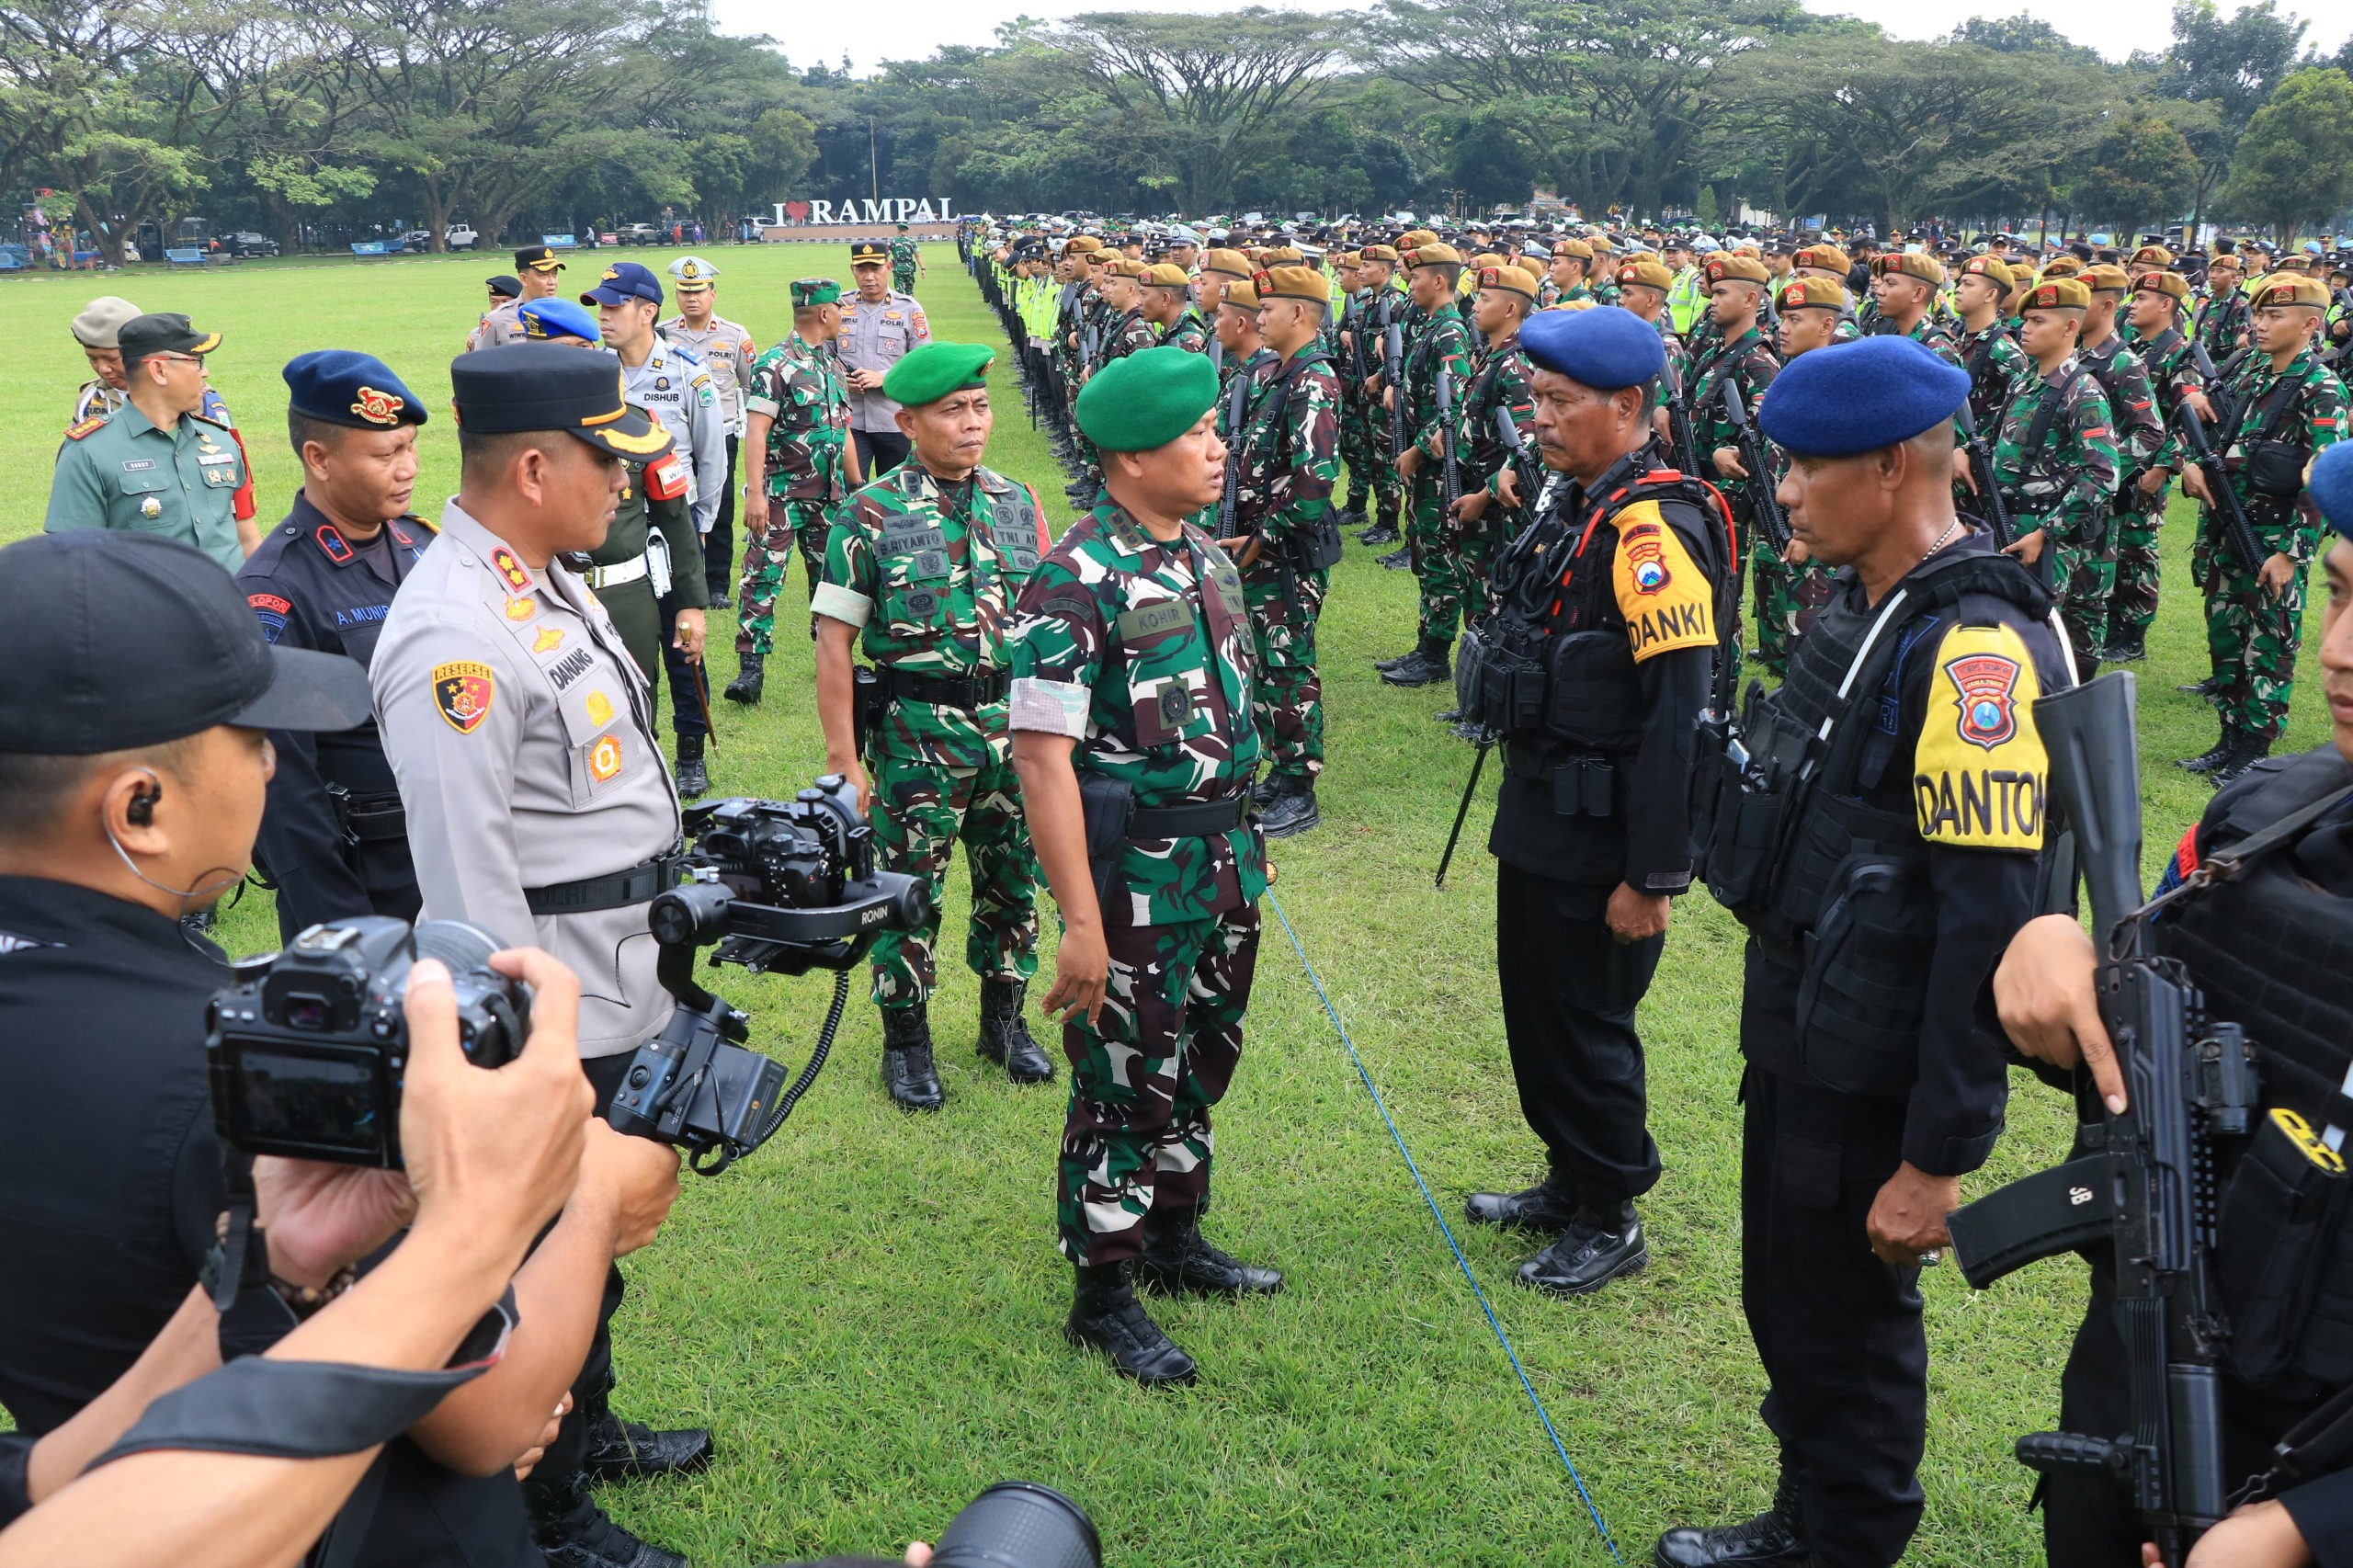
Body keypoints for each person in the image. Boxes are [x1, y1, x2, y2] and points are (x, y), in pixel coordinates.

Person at [1659, 335, 2070, 1568]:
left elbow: (1990, 920)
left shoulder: (1976, 649)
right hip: (1809, 1023)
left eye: (1809, 467)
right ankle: (1810, 1511)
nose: (1782, 488)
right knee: (1792, 1296)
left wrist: (1937, 1159)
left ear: (1893, 467)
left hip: (1875, 1069)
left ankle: (1844, 1537)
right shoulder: (1869, 602)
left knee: (1846, 1321)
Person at [369, 342, 710, 1568]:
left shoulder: (536, 574)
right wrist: (537, 1069)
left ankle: (590, 1422)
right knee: (542, 1251)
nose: (625, 481)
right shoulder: (456, 634)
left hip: (620, 975)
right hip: (561, 1004)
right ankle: (550, 1516)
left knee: (593, 1247)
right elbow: (468, 893)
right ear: (532, 466)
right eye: (607, 459)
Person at [1991, 440, 2353, 1568]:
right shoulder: (2264, 819)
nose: (2336, 651)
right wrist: (2053, 950)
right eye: (2341, 591)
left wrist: (2302, 1529)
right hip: (2137, 1394)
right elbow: (2142, 1012)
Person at [1006, 346, 1283, 1387]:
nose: (1217, 449)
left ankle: (1173, 1232)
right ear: (1128, 455)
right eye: (1196, 434)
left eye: (1215, 430)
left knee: (1201, 1058)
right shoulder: (1073, 578)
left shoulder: (1206, 557)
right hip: (1135, 880)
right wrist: (1078, 920)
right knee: (1124, 1080)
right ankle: (1103, 1291)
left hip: (1224, 861)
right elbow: (1042, 762)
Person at [1458, 308, 1732, 1299]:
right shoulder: (1574, 501)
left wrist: (1652, 869)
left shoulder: (1653, 529)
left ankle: (1610, 1208)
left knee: (1587, 1018)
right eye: (1534, 399)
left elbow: (1676, 715)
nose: (1537, 418)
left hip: (1605, 825)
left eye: (1558, 402)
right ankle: (1569, 1176)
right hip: (1543, 803)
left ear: (1629, 406)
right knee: (1535, 1004)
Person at [811, 342, 1053, 1110]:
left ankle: (1004, 1022)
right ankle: (907, 1040)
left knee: (1014, 878)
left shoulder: (1019, 501)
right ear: (908, 421)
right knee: (909, 890)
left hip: (1014, 727)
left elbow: (1046, 632)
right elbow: (834, 643)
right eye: (953, 410)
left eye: (981, 407)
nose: (973, 423)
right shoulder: (869, 512)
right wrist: (845, 759)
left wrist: (1055, 741)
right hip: (919, 731)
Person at [237, 350, 435, 941]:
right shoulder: (275, 590)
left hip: (446, 858)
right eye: (385, 454)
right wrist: (344, 932)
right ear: (318, 458)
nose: (408, 469)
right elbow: (283, 790)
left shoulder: (421, 546)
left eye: (408, 447)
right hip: (361, 880)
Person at [2178, 273, 2348, 787]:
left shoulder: (2322, 389)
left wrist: (2292, 554)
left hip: (2273, 541)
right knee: (2226, 634)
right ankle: (2229, 737)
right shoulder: (2253, 372)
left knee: (2268, 645)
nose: (2260, 323)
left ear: (2311, 324)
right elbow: (2219, 435)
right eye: (2259, 314)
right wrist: (2191, 462)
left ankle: (2255, 747)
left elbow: (2320, 479)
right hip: (2230, 526)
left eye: (2275, 315)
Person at [584, 262, 721, 794]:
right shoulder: (593, 372)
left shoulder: (690, 371)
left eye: (615, 306)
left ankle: (690, 752)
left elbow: (711, 459)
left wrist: (701, 528)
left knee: (682, 641)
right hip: (615, 525)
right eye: (600, 306)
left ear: (648, 311)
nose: (604, 316)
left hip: (673, 525)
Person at [1214, 265, 1340, 836]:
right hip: (1261, 546)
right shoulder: (1278, 375)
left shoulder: (1314, 380)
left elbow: (1314, 483)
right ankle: (1281, 768)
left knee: (1288, 666)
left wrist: (1263, 536)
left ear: (1300, 314)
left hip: (1284, 552)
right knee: (1263, 662)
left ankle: (1300, 786)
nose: (1258, 318)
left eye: (1269, 309)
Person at [1981, 277, 2120, 676]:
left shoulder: (2082, 391)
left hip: (2048, 536)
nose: (2025, 328)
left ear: (2070, 327)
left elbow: (2102, 473)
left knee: (2045, 642)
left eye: (2039, 321)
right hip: (2010, 523)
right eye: (2025, 320)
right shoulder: (2026, 381)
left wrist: (2046, 532)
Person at [731, 278, 861, 704]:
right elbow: (756, 430)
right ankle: (751, 669)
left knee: (831, 580)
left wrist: (858, 487)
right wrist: (755, 494)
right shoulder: (775, 364)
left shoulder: (832, 365)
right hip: (782, 497)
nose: (843, 315)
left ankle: (832, 658)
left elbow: (844, 432)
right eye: (839, 309)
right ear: (824, 313)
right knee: (762, 576)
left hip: (832, 500)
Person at [46, 312, 256, 572]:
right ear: (158, 370)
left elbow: (247, 535)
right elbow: (73, 559)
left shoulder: (222, 440)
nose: (205, 372)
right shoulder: (88, 452)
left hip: (229, 607)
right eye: (196, 361)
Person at [2099, 269, 2212, 665]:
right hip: (2121, 459)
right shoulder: (2129, 347)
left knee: (2137, 550)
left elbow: (2189, 417)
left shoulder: (2181, 353)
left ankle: (2133, 632)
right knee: (2112, 543)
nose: (2132, 305)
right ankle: (2112, 625)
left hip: (2149, 467)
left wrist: (2164, 467)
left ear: (2166, 305)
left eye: (2143, 298)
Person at [1380, 242, 1473, 687]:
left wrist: (1416, 450)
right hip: (1423, 470)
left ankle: (1435, 655)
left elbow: (1449, 409)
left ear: (1439, 281)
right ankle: (1425, 646)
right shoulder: (1428, 327)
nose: (1408, 284)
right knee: (1424, 552)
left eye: (1414, 277)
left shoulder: (1450, 331)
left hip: (1438, 470)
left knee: (1439, 559)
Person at [659, 255, 756, 607]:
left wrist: (749, 424)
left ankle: (716, 585)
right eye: (684, 291)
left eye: (698, 290)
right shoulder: (662, 333)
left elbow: (752, 386)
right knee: (674, 506)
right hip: (674, 437)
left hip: (722, 435)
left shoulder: (735, 335)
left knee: (720, 509)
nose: (691, 298)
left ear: (712, 293)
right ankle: (681, 578)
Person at [842, 240, 934, 479]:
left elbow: (923, 363)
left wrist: (883, 377)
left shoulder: (909, 309)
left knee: (897, 497)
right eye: (862, 270)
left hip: (895, 421)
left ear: (889, 266)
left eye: (876, 269)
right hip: (850, 422)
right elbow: (821, 356)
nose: (869, 277)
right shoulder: (840, 307)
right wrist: (840, 379)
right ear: (852, 269)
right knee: (851, 493)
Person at [470, 244, 568, 351]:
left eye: (554, 274)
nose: (552, 282)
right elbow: (481, 363)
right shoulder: (498, 319)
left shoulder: (568, 315)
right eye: (543, 275)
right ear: (524, 279)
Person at [68, 296, 142, 425]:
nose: (103, 369)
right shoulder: (91, 398)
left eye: (112, 359)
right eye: (93, 358)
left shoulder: (176, 392)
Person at [890, 222, 924, 295]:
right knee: (909, 290)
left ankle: (901, 306)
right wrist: (922, 268)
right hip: (909, 269)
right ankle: (910, 306)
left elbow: (886, 254)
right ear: (907, 231)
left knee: (899, 292)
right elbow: (918, 255)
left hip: (897, 269)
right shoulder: (911, 241)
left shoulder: (893, 241)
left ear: (898, 231)